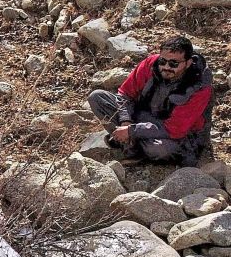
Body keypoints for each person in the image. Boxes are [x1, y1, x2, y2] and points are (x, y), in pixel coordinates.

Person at [87, 35, 214, 166]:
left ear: (187, 63)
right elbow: (125, 94)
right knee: (97, 98)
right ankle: (131, 144)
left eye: (173, 63)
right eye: (163, 61)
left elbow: (175, 129)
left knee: (158, 149)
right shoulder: (150, 64)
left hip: (178, 133)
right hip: (143, 118)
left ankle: (130, 144)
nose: (166, 67)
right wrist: (126, 121)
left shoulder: (199, 87)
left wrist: (132, 131)